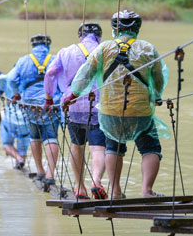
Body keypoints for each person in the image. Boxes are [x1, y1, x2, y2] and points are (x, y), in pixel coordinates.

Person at [68, 10, 169, 198]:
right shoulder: (148, 49)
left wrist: (73, 95)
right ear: (138, 27)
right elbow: (158, 77)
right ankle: (147, 190)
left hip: (110, 110)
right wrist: (156, 95)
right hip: (141, 110)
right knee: (150, 148)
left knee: (114, 147)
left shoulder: (104, 48)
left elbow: (85, 74)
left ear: (114, 27)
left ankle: (115, 191)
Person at [45, 22, 107, 200]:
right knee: (97, 149)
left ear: (80, 35)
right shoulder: (106, 50)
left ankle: (80, 187)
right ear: (99, 36)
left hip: (72, 104)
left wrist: (49, 98)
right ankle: (96, 181)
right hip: (100, 106)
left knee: (77, 146)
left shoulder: (66, 51)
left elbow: (50, 73)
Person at [7, 34, 60, 189]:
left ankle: (40, 171)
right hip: (51, 103)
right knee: (51, 137)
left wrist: (16, 94)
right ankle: (51, 174)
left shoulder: (23, 60)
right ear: (47, 45)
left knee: (35, 136)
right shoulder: (55, 59)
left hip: (30, 104)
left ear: (33, 46)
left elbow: (11, 79)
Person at [0, 74, 31, 170]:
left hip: (10, 118)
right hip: (26, 120)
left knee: (6, 143)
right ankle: (21, 163)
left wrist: (0, 90)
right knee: (23, 146)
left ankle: (18, 158)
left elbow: (0, 77)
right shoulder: (30, 82)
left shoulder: (10, 81)